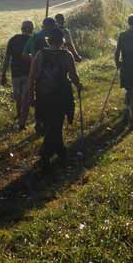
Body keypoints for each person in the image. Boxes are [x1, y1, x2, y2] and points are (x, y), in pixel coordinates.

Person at [28, 28, 82, 169]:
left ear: (49, 40)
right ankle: (47, 154)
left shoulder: (40, 54)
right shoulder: (66, 55)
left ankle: (59, 151)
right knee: (56, 124)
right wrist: (78, 85)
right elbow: (73, 75)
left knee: (52, 124)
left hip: (43, 93)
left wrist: (30, 95)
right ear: (62, 41)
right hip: (61, 94)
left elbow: (32, 76)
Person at [1, 20, 34, 131]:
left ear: (21, 28)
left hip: (15, 73)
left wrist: (3, 74)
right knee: (25, 97)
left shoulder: (13, 39)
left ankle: (20, 116)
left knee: (18, 96)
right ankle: (22, 119)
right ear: (32, 29)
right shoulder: (33, 40)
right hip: (28, 72)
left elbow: (6, 58)